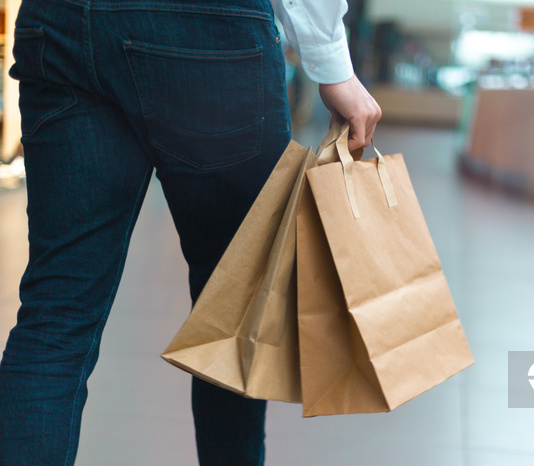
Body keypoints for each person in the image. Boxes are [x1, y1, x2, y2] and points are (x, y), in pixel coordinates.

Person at [0, 0, 381, 464]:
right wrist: (331, 62)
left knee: (56, 314)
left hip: (61, 24)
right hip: (207, 27)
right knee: (234, 313)